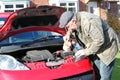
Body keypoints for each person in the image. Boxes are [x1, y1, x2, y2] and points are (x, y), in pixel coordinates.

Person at [59, 11, 120, 80]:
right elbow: (70, 29)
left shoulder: (89, 22)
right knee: (97, 72)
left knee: (104, 76)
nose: (68, 28)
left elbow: (99, 40)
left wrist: (85, 52)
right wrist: (68, 34)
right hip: (95, 47)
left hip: (107, 47)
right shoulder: (76, 20)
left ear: (74, 21)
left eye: (68, 26)